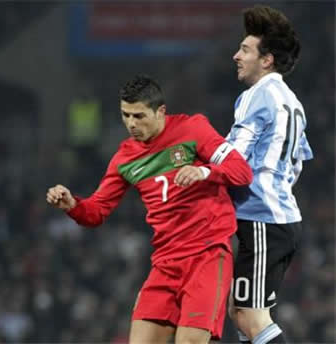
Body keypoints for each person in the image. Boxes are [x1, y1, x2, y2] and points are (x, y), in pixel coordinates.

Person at [46, 75, 253, 344]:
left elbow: (242, 171)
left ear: (161, 112)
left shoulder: (193, 129)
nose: (131, 124)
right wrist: (72, 205)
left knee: (189, 342)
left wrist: (203, 171)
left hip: (207, 254)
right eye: (125, 115)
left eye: (139, 116)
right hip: (166, 262)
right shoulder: (125, 158)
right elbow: (96, 211)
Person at [224, 5, 314, 344]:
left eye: (245, 49)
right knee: (240, 311)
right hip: (276, 219)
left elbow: (235, 155)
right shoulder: (292, 100)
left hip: (263, 218)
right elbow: (298, 163)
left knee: (251, 317)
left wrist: (200, 170)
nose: (236, 55)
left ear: (267, 60)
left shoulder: (256, 94)